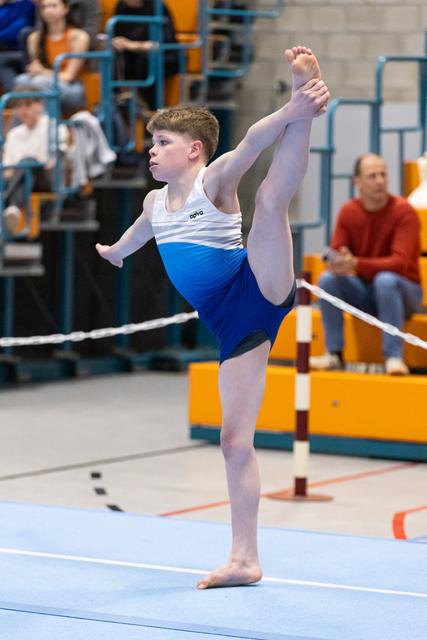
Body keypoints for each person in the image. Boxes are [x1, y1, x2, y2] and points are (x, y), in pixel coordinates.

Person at [96, 45, 329, 589]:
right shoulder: (156, 204)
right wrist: (118, 252)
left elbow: (251, 143)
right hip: (231, 325)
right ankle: (245, 559)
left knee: (271, 200)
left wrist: (293, 113)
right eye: (152, 143)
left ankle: (306, 101)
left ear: (194, 150)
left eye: (162, 143)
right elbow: (141, 233)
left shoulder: (215, 181)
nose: (151, 152)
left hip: (254, 285)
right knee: (233, 441)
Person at [310, 153, 423, 376]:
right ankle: (333, 354)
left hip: (404, 291)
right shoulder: (349, 211)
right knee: (327, 279)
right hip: (365, 289)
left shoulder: (404, 212)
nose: (380, 180)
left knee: (386, 280)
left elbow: (399, 263)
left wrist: (356, 264)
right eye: (372, 176)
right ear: (358, 182)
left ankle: (393, 357)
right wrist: (338, 262)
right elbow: (339, 252)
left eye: (383, 174)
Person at [1, 84, 68, 234]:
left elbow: (52, 164)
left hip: (44, 179)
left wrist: (24, 166)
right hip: (18, 182)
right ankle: (13, 208)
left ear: (40, 105)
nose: (23, 111)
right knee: (22, 168)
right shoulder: (14, 134)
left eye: (28, 105)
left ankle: (6, 200)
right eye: (18, 107)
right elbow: (7, 170)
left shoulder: (55, 129)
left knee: (28, 162)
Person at [14, 0, 90, 115]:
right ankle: (18, 129)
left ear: (66, 9)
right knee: (21, 80)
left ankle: (49, 127)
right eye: (44, 7)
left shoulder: (79, 37)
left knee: (39, 82)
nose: (48, 10)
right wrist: (34, 70)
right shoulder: (34, 38)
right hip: (44, 84)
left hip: (73, 89)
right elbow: (37, 68)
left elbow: (69, 76)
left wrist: (43, 71)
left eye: (54, 6)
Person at [111, 0, 179, 110]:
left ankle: (151, 108)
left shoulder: (157, 6)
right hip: (132, 55)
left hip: (164, 56)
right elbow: (116, 34)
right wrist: (116, 42)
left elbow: (162, 44)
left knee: (147, 62)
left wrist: (132, 45)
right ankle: (118, 104)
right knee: (111, 59)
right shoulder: (121, 6)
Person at [0, 0, 35, 92]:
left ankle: (16, 98)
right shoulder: (3, 7)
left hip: (20, 51)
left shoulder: (27, 5)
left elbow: (15, 32)